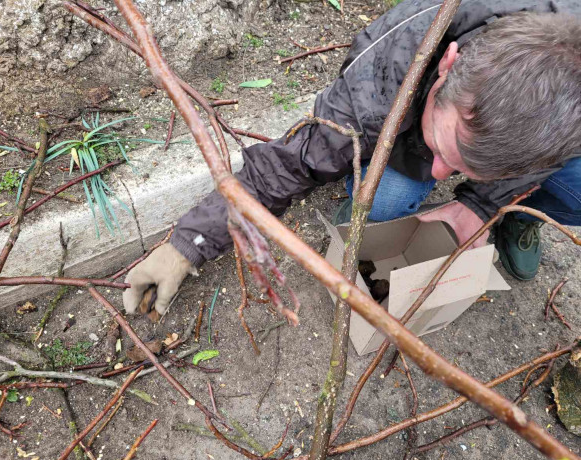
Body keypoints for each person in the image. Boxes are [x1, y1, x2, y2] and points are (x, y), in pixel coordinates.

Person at [122, 0, 581, 317]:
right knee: (383, 202)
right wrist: (187, 245)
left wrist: (483, 204)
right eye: (444, 149)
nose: (440, 175)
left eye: (461, 169)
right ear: (447, 66)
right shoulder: (384, 79)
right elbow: (292, 163)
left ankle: (519, 214)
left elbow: (541, 159)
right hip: (400, 118)